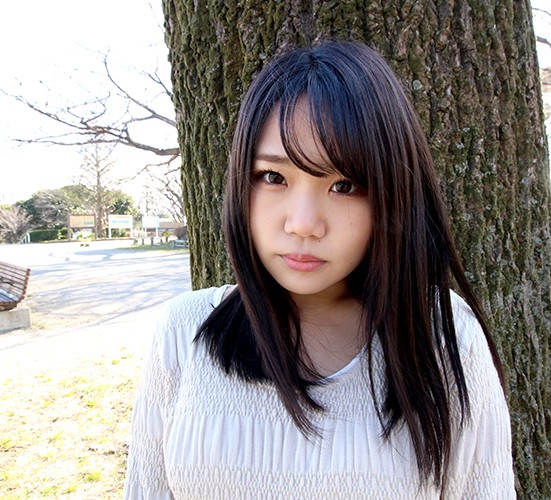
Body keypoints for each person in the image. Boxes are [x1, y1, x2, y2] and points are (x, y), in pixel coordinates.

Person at [124, 41, 514, 498]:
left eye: (344, 185)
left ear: (391, 195)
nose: (303, 224)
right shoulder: (185, 331)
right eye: (274, 178)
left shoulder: (444, 336)